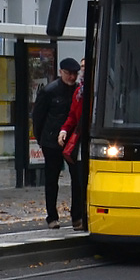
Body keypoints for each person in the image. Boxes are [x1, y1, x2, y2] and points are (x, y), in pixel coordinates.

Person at [32, 57, 79, 229]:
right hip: (52, 142)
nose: (72, 77)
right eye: (68, 73)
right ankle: (52, 216)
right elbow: (38, 117)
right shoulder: (49, 91)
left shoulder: (78, 91)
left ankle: (77, 216)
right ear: (61, 72)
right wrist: (41, 139)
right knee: (52, 179)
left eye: (74, 74)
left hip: (72, 142)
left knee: (77, 178)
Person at [57, 59, 88, 232]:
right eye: (81, 67)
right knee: (77, 180)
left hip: (94, 140)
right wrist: (64, 130)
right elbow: (72, 116)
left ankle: (85, 215)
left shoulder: (97, 89)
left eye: (84, 67)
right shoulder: (79, 91)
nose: (82, 70)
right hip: (80, 140)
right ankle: (77, 217)